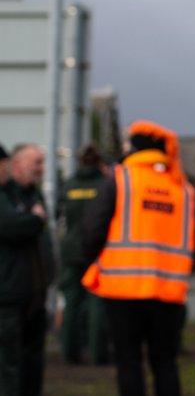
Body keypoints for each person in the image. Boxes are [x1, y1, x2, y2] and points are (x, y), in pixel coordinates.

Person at [81, 121, 195, 396]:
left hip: (123, 291)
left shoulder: (120, 180)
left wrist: (93, 259)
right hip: (169, 293)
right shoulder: (183, 189)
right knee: (165, 363)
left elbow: (92, 229)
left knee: (128, 362)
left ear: (134, 148)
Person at [0, 143, 54, 396]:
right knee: (9, 367)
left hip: (33, 296)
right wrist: (35, 219)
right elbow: (12, 226)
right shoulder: (7, 196)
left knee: (31, 364)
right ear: (16, 164)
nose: (41, 169)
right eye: (37, 163)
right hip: (9, 297)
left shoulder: (32, 195)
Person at [57, 145, 111, 366]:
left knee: (71, 302)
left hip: (71, 251)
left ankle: (69, 352)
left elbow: (59, 216)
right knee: (97, 303)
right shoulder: (105, 186)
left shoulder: (69, 185)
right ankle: (99, 354)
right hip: (97, 251)